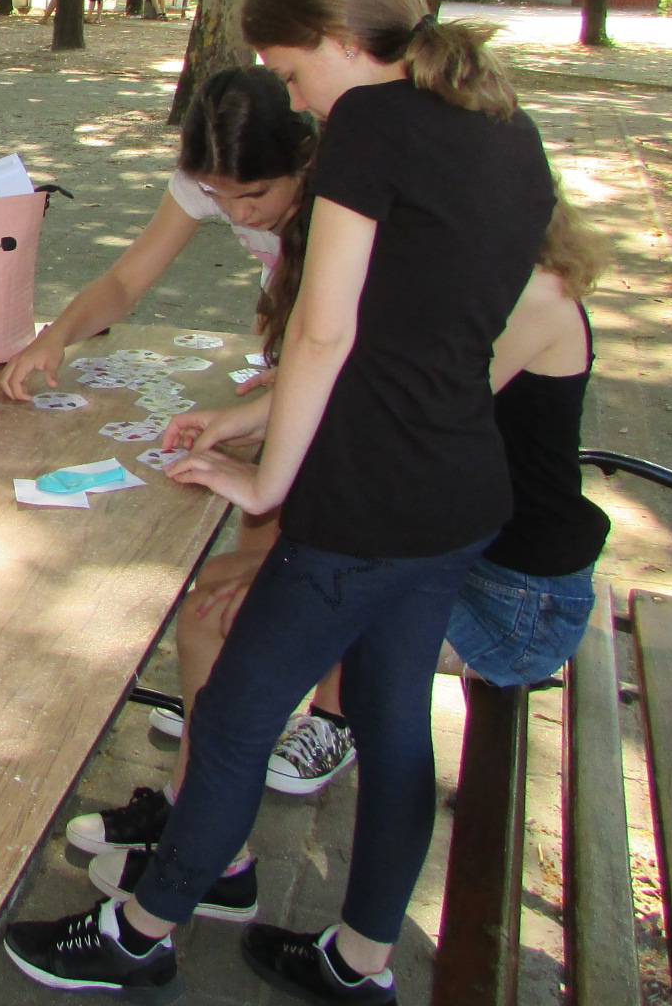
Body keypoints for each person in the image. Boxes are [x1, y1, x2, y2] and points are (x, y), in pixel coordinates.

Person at [5, 0, 555, 1003]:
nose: (296, 100)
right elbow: (419, 337)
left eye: (292, 73)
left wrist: (265, 482)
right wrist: (249, 420)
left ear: (335, 37)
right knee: (393, 732)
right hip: (458, 492)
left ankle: (142, 933)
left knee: (233, 720)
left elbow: (324, 331)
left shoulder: (369, 128)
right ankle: (360, 959)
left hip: (366, 503)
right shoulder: (503, 123)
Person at [66, 192, 609, 916]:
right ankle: (194, 815)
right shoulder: (479, 282)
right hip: (449, 553)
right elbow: (370, 388)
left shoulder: (531, 297)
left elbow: (398, 425)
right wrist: (247, 419)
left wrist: (276, 499)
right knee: (218, 592)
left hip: (511, 598)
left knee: (220, 617)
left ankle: (213, 858)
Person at [0, 65, 312, 403]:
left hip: (334, 308)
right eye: (215, 194)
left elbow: (332, 339)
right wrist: (56, 336)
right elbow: (123, 283)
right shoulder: (202, 180)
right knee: (259, 383)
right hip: (281, 290)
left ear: (304, 162)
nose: (238, 214)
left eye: (255, 195)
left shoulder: (336, 200)